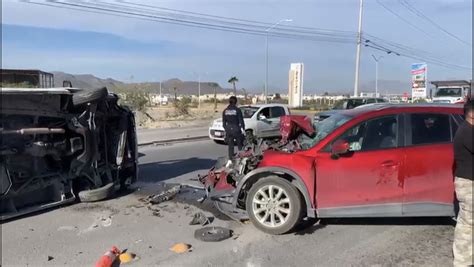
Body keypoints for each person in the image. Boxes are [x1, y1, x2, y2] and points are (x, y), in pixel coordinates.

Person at [453, 100, 473, 267]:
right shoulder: (467, 131)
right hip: (468, 185)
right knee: (467, 225)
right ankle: (462, 262)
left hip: (468, 182)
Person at [222, 96, 245, 163]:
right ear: (236, 102)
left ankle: (230, 159)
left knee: (230, 146)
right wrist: (243, 129)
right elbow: (241, 121)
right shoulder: (237, 110)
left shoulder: (225, 111)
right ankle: (241, 158)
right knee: (240, 144)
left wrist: (226, 129)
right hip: (236, 129)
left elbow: (224, 123)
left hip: (229, 130)